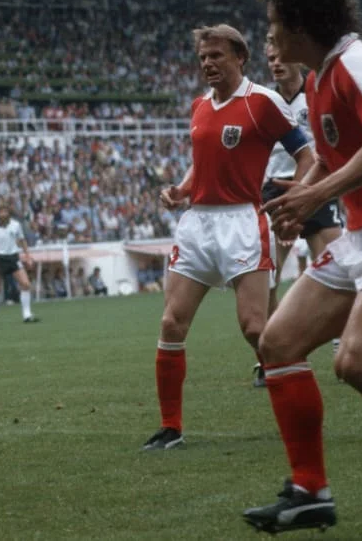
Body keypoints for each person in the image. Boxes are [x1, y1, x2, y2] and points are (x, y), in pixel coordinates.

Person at [243, 0, 362, 533]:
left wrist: (316, 194)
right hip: (361, 236)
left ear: (302, 24)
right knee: (277, 343)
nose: (270, 35)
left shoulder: (357, 61)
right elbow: (328, 153)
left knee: (356, 363)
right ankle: (309, 492)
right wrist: (299, 196)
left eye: (275, 23)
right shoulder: (321, 78)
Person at [145, 24, 314, 452]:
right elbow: (201, 162)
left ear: (240, 57)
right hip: (198, 223)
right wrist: (181, 190)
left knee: (256, 328)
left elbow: (306, 154)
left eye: (216, 55)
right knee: (171, 323)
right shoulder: (200, 105)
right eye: (203, 57)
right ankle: (170, 428)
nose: (208, 63)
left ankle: (298, 404)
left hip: (242, 222)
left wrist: (300, 196)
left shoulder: (263, 102)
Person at [253, 34, 345, 388]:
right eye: (270, 58)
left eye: (280, 57)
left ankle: (342, 338)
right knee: (267, 275)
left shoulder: (316, 89)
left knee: (338, 264)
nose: (275, 63)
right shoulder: (264, 101)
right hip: (275, 189)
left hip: (315, 184)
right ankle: (271, 353)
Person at [0, 204, 37, 324]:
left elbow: (22, 240)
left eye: (5, 211)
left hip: (13, 257)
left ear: (8, 214)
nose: (3, 214)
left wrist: (27, 256)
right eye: (1, 212)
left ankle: (27, 314)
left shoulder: (16, 225)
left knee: (25, 284)